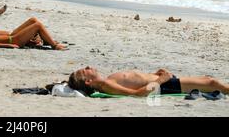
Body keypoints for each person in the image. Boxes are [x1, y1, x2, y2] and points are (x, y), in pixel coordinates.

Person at [68, 66, 229, 96]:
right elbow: (138, 94)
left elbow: (135, 81)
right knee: (211, 83)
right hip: (166, 85)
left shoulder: (107, 80)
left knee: (209, 81)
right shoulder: (106, 84)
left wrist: (153, 74)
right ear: (88, 82)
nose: (89, 66)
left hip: (163, 80)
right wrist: (160, 80)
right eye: (85, 70)